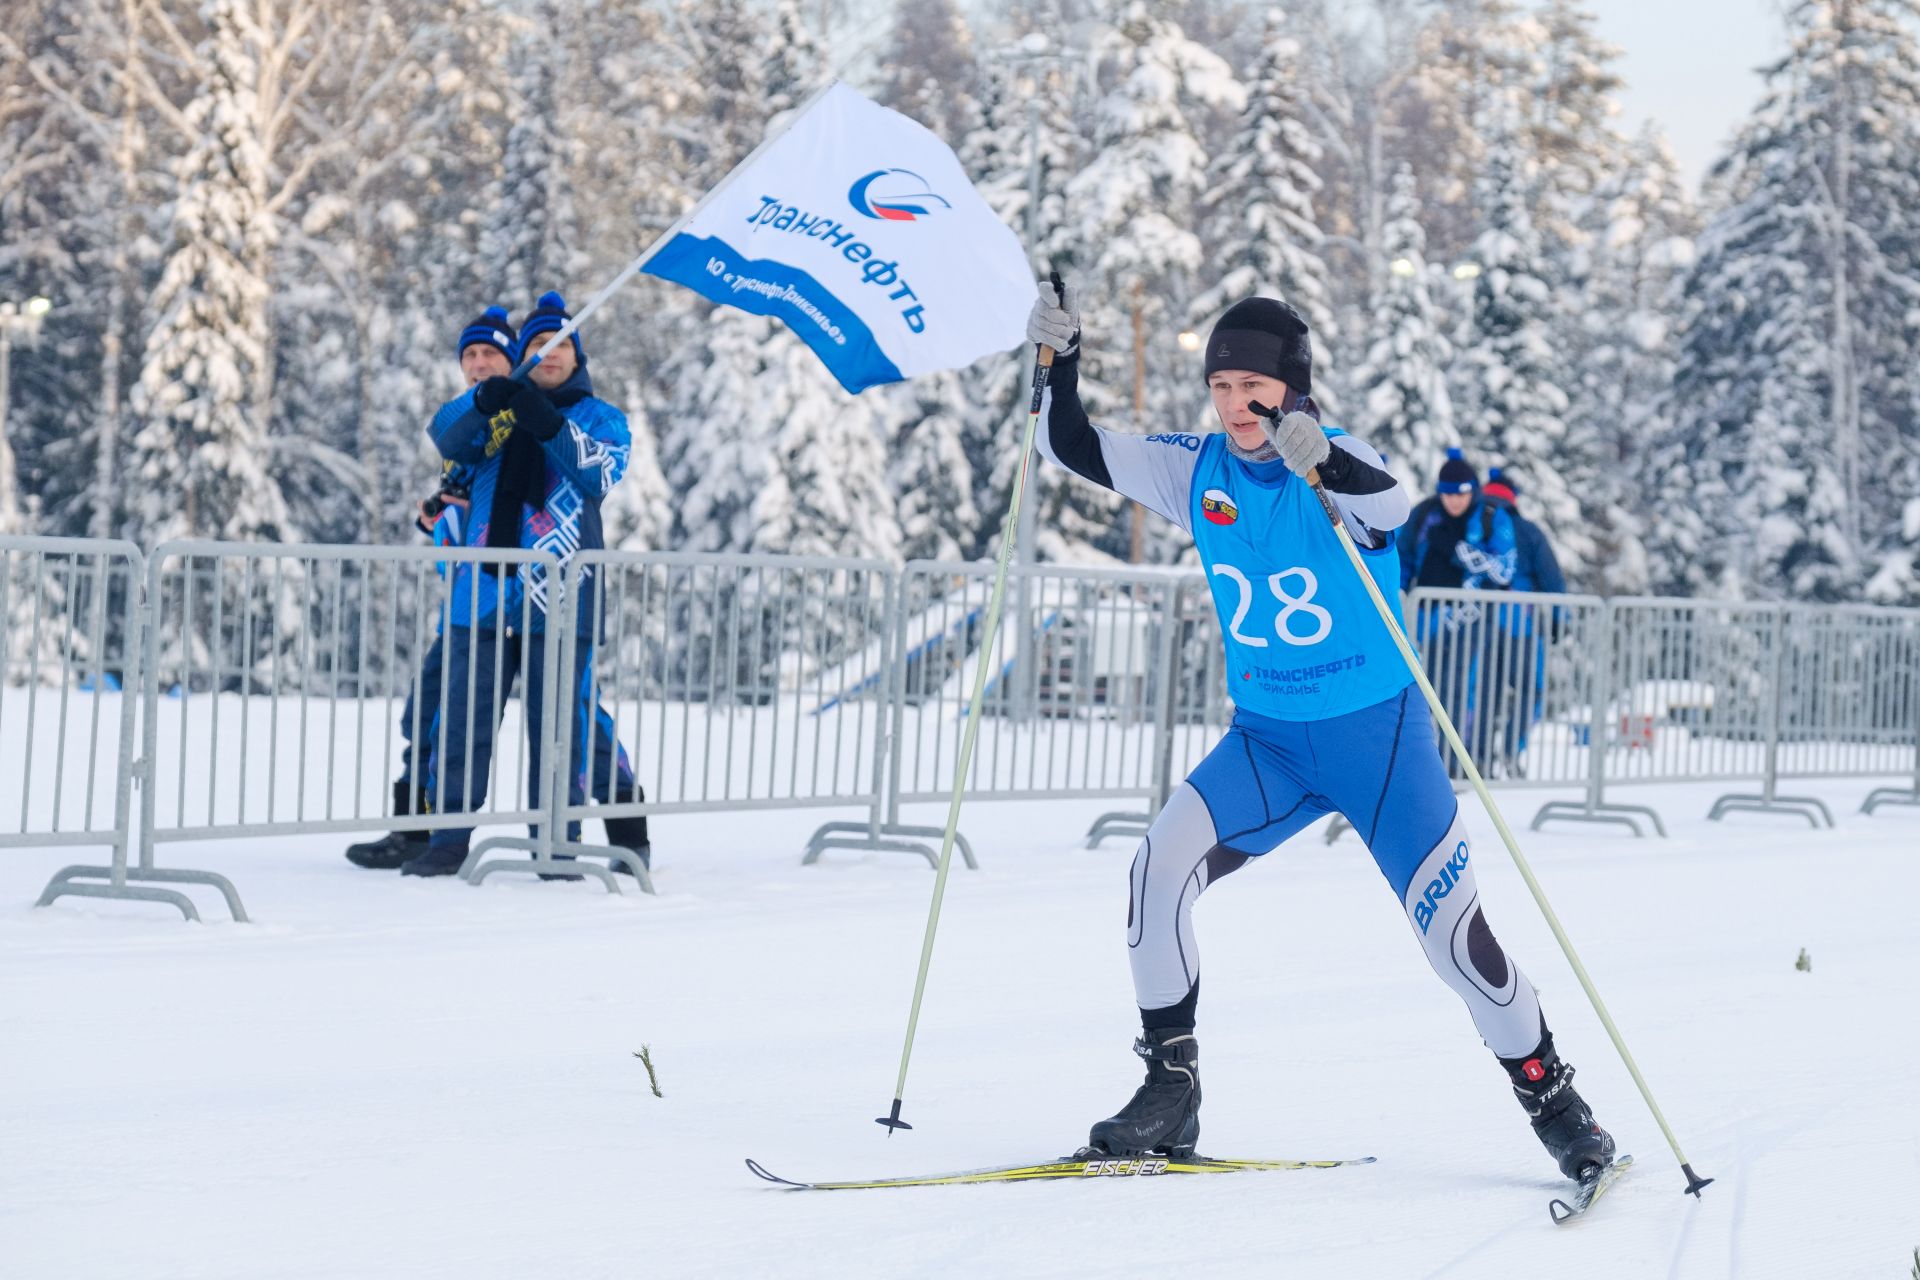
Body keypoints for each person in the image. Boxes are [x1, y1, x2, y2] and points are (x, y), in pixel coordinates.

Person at [1024, 285, 1615, 1187]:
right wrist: (1059, 368)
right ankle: (1170, 1087)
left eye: (1252, 386)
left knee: (1459, 945)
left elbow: (1393, 506)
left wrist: (1325, 461)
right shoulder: (1198, 470)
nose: (1233, 406)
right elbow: (1069, 445)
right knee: (1155, 872)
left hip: (1379, 747)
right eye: (1220, 385)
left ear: (1293, 391)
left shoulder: (1339, 464)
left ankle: (1555, 1102)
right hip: (1268, 745)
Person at [400, 291, 649, 878]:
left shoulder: (601, 418)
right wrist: (484, 403)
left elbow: (595, 473)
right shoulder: (496, 412)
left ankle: (558, 845)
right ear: (525, 357)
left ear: (577, 356)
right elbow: (450, 446)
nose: (551, 353)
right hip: (483, 594)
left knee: (565, 722)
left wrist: (546, 422)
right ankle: (447, 838)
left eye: (562, 343)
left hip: (562, 596)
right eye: (539, 344)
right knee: (461, 716)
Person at [344, 306, 507, 870]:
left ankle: (431, 833)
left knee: (453, 717)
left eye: (489, 354)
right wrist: (440, 517)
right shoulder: (466, 423)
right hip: (465, 598)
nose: (479, 364)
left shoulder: (510, 419)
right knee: (426, 713)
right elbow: (467, 507)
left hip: (506, 604)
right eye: (470, 355)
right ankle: (415, 828)